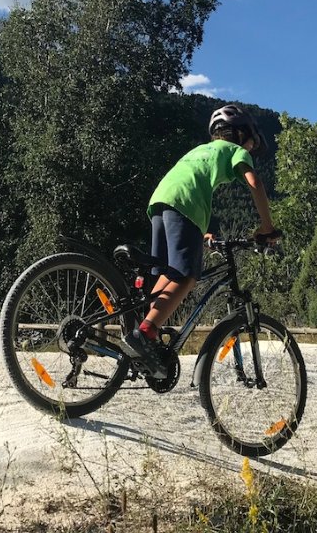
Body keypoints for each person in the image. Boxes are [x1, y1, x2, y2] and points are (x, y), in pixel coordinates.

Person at [120, 104, 280, 378]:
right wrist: (267, 227)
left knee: (167, 274)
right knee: (186, 276)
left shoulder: (201, 150)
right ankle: (146, 333)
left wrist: (200, 233)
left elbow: (191, 182)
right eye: (252, 143)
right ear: (241, 135)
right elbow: (256, 184)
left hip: (161, 201)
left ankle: (143, 331)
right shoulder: (236, 151)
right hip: (185, 204)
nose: (252, 149)